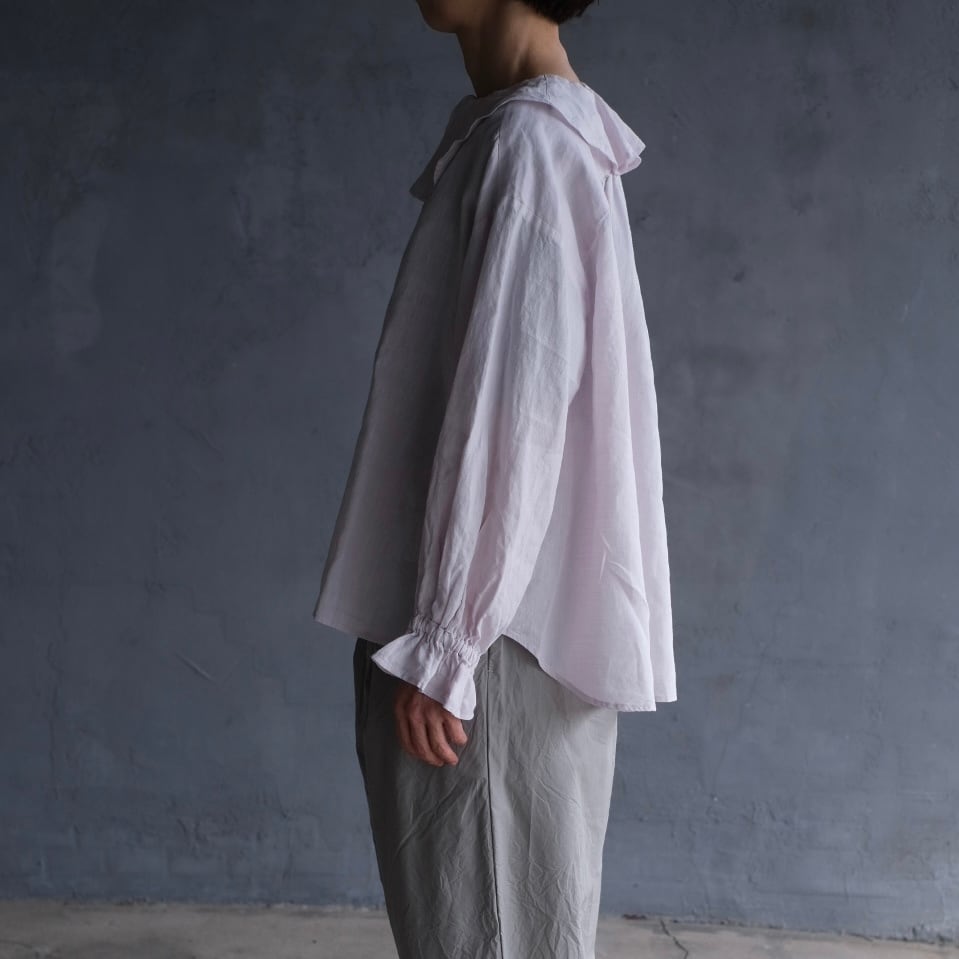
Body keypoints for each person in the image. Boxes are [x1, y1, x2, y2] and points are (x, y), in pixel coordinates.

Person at [311, 0, 677, 955]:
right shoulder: (526, 136)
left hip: (487, 643)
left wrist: (447, 644)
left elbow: (514, 412)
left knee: (488, 929)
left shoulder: (532, 146)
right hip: (487, 631)